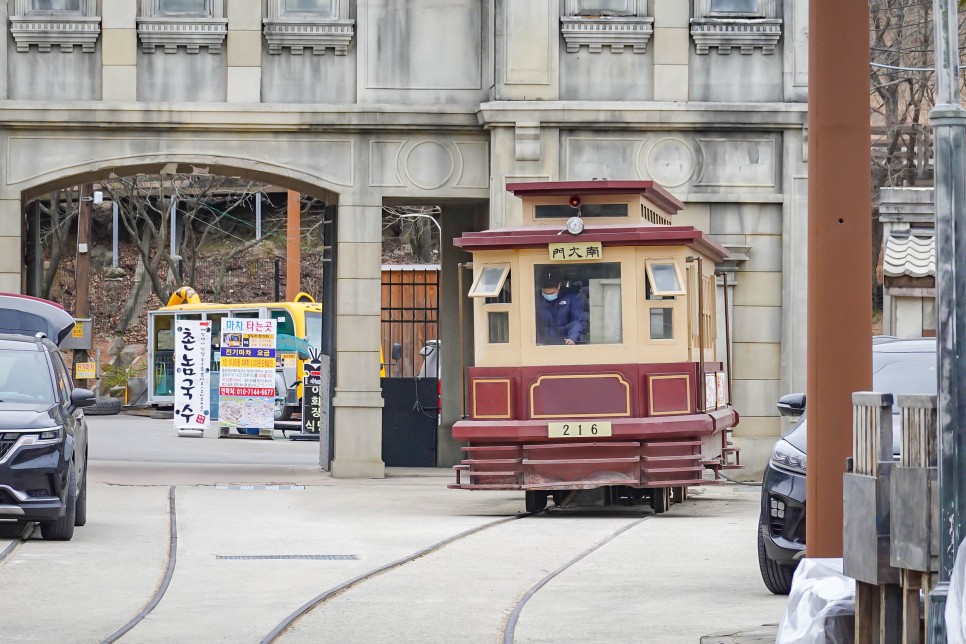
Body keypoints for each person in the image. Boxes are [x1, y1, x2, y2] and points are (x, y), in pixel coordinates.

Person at [535, 269, 586, 345]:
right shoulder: (536, 299)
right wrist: (536, 341)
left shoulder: (571, 298)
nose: (549, 295)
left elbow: (578, 321)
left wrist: (573, 338)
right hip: (541, 344)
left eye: (552, 293)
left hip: (565, 343)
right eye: (545, 293)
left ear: (559, 286)